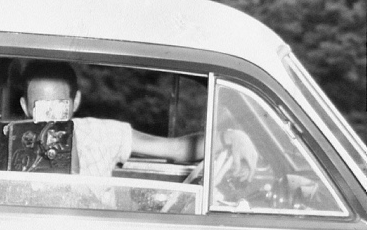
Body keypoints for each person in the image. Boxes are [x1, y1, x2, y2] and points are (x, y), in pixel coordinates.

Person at [17, 60, 256, 182]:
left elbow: (179, 149)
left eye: (59, 106)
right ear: (25, 107)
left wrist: (230, 137)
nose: (49, 118)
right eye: (40, 107)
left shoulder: (101, 133)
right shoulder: (6, 144)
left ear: (75, 101)